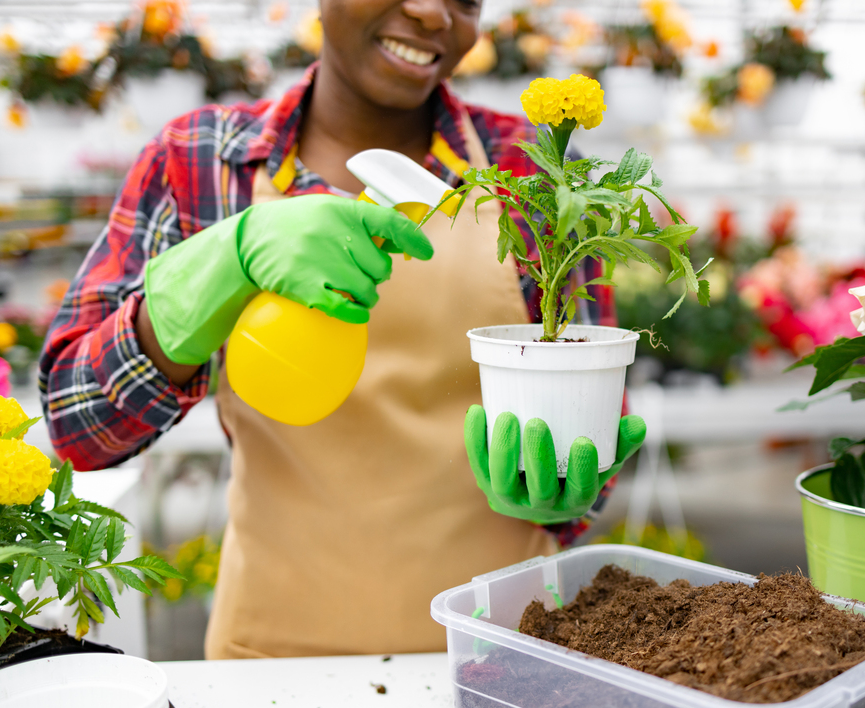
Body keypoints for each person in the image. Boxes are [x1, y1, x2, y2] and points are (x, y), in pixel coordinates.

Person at [40, 0, 643, 658]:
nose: (431, 12)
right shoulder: (202, 162)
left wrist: (561, 485)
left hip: (503, 649)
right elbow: (78, 428)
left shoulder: (531, 168)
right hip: (273, 664)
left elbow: (590, 410)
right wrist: (226, 260)